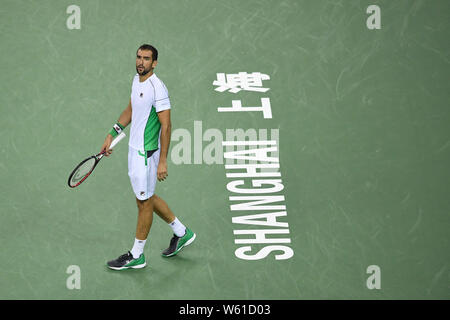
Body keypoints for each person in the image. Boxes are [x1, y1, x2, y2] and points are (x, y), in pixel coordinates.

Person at [100, 44, 195, 270]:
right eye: (139, 57)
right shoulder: (137, 80)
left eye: (146, 59)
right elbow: (132, 109)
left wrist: (162, 160)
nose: (141, 62)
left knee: (144, 202)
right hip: (134, 150)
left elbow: (167, 126)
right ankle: (182, 232)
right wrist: (112, 134)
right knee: (145, 198)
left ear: (155, 63)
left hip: (147, 154)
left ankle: (137, 255)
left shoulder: (157, 88)